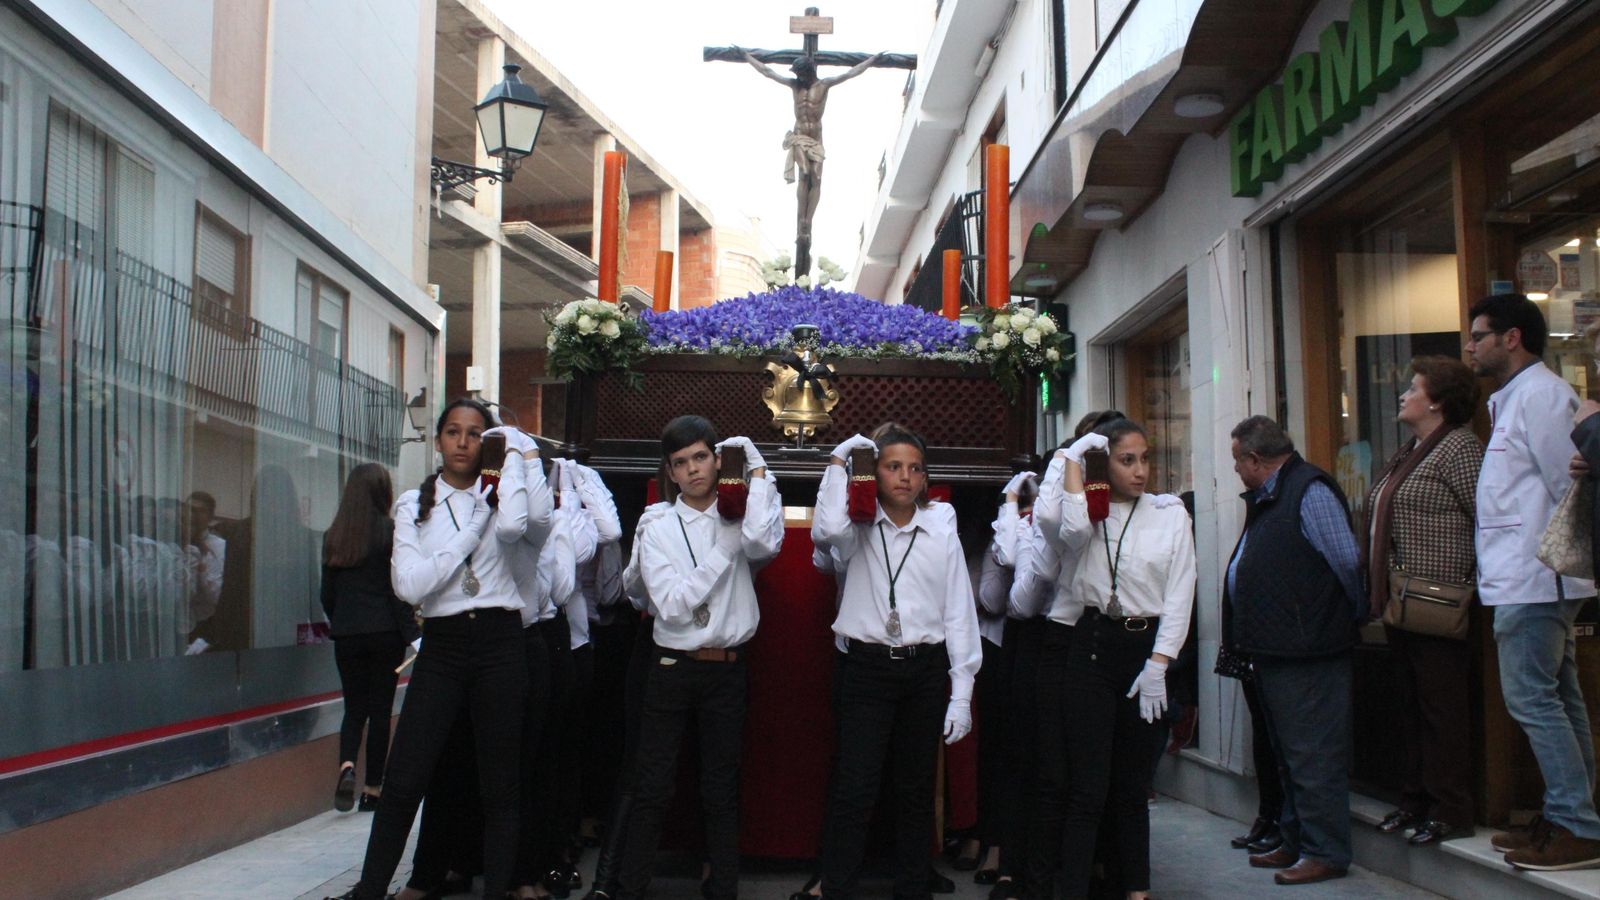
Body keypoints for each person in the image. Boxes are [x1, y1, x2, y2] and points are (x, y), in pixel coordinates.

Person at [329, 399, 550, 900]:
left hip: (500, 640)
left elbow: (535, 527)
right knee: (405, 776)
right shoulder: (413, 503)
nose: (463, 442)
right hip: (444, 644)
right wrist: (471, 531)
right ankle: (370, 888)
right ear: (439, 441)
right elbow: (409, 586)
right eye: (453, 431)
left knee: (501, 784)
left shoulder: (505, 498)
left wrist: (521, 457)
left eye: (475, 434)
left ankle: (498, 889)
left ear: (486, 442)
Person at [615, 417, 784, 900]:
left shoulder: (739, 516)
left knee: (721, 787)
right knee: (653, 785)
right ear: (669, 472)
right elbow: (668, 604)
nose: (693, 470)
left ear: (717, 459)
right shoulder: (658, 522)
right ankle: (630, 888)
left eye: (701, 458)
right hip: (671, 667)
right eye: (681, 463)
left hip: (728, 666)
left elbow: (763, 542)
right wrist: (723, 552)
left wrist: (756, 470)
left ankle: (723, 887)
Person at [812, 423, 980, 900]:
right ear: (875, 473)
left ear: (925, 478)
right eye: (893, 467)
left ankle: (913, 888)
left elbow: (958, 610)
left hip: (924, 670)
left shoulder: (940, 528)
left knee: (915, 790)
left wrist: (961, 692)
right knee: (855, 789)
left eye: (914, 469)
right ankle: (837, 887)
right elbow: (826, 532)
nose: (905, 477)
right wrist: (838, 466)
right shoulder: (856, 525)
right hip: (866, 669)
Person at [1466, 293, 1600, 870]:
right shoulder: (1511, 399)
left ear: (1512, 338)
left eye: (1479, 335)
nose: (1470, 346)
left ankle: (1577, 824)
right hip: (1522, 578)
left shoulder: (1542, 396)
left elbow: (1570, 487)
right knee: (1558, 700)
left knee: (1534, 700)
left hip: (1537, 579)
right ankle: (1567, 816)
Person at [1048, 419, 1195, 900]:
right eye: (1125, 459)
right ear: (1104, 464)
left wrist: (1159, 664)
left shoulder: (1170, 513)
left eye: (1145, 459)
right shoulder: (1089, 511)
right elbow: (1066, 527)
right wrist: (1074, 457)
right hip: (1092, 645)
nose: (1139, 471)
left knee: (1133, 788)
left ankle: (1137, 890)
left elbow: (1180, 594)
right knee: (1087, 788)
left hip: (1146, 648)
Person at [1226, 415, 1363, 886]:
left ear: (1255, 459)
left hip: (1309, 650)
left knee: (1314, 754)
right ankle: (1295, 839)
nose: (1236, 472)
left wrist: (1346, 616)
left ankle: (1325, 850)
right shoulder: (1270, 497)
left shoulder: (1309, 490)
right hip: (1277, 649)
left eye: (1237, 462)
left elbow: (1346, 561)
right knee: (1287, 754)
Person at [1360, 357, 1482, 845]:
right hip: (1401, 602)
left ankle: (1451, 808)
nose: (1403, 395)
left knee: (1441, 710)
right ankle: (1414, 800)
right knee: (1411, 706)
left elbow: (1486, 517)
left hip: (1440, 602)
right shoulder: (1410, 449)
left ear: (1436, 400)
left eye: (1413, 388)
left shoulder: (1459, 447)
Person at [322, 463, 420, 813]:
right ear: (383, 494)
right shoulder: (390, 532)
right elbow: (397, 592)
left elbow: (326, 595)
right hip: (384, 634)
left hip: (347, 633)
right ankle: (372, 789)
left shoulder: (334, 535)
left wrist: (343, 622)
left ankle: (347, 766)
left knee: (353, 709)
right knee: (380, 712)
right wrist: (413, 636)